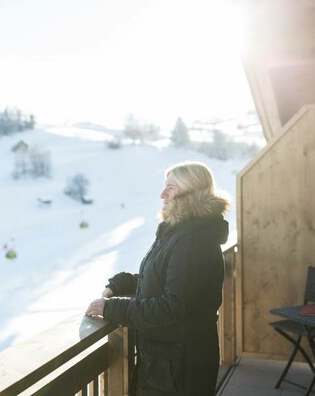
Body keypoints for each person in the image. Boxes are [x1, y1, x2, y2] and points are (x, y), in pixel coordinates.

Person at [86, 161, 230, 396]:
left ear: (191, 191)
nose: (162, 194)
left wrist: (113, 309)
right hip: (169, 361)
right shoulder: (183, 231)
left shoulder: (193, 239)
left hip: (179, 367)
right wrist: (125, 283)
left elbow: (173, 305)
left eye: (170, 188)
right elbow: (169, 280)